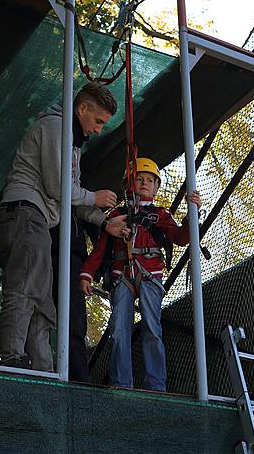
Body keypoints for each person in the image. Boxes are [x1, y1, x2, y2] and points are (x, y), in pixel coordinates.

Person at [0, 82, 127, 372]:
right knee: (25, 289)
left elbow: (72, 199)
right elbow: (59, 187)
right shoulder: (56, 127)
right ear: (82, 109)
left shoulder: (72, 143)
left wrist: (105, 223)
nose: (99, 130)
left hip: (36, 220)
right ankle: (12, 358)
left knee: (43, 303)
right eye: (98, 121)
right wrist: (95, 196)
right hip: (25, 215)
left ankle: (41, 369)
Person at [79, 157, 202, 391]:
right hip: (122, 276)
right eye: (139, 179)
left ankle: (156, 385)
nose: (144, 183)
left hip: (150, 275)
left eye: (150, 180)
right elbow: (100, 248)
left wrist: (192, 216)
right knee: (118, 331)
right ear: (129, 184)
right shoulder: (117, 216)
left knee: (152, 330)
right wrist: (86, 274)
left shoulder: (161, 215)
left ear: (156, 187)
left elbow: (181, 237)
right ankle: (121, 384)